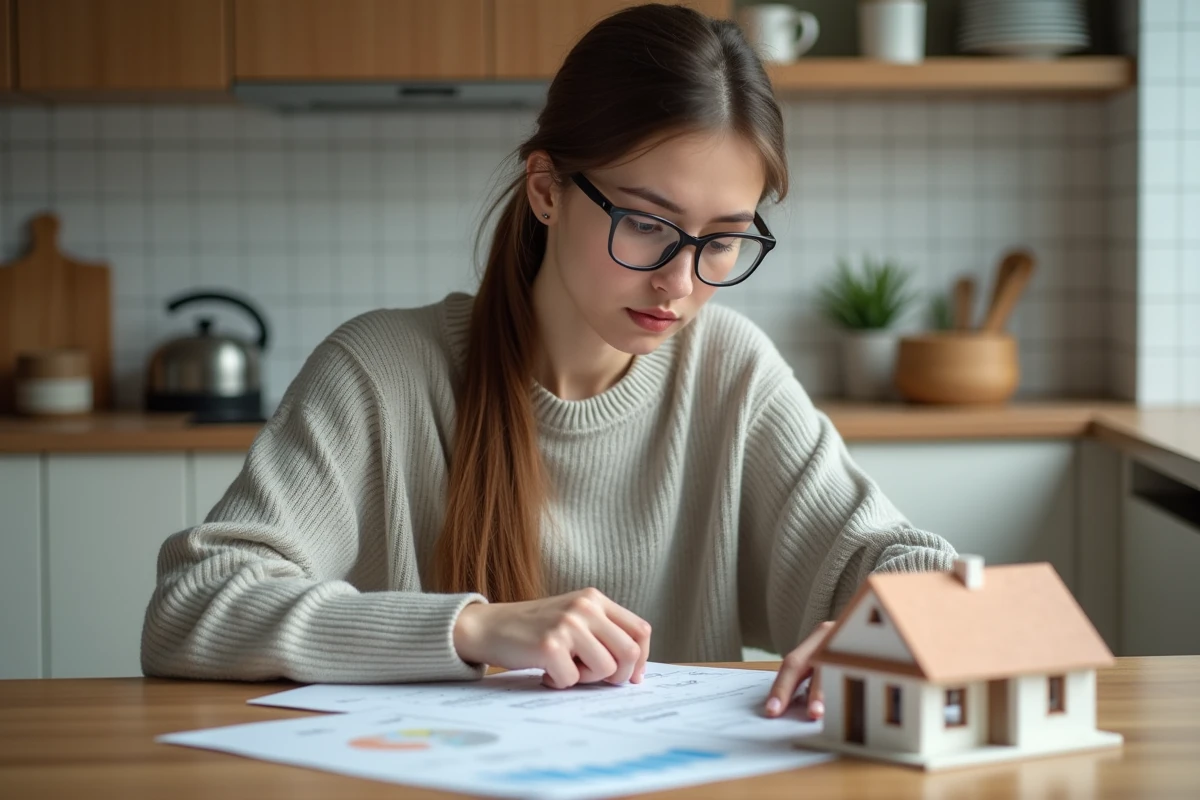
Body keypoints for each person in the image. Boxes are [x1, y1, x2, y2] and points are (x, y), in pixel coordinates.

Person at [140, 3, 957, 722]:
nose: (680, 282)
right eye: (646, 223)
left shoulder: (730, 372)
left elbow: (910, 562)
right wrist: (473, 628)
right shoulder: (380, 373)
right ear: (546, 190)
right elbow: (192, 606)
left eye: (723, 240)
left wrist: (887, 622)